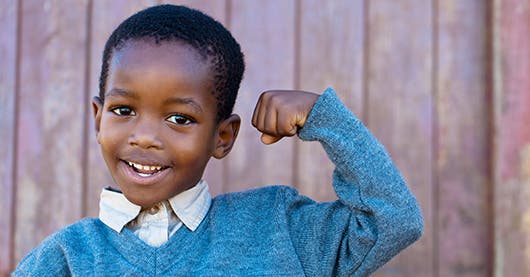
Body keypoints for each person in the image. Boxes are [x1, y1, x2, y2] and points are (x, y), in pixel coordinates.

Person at [13, 4, 423, 276]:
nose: (145, 137)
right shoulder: (66, 258)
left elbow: (393, 221)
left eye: (179, 118)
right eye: (124, 111)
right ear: (98, 118)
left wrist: (325, 120)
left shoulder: (280, 230)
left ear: (222, 137)